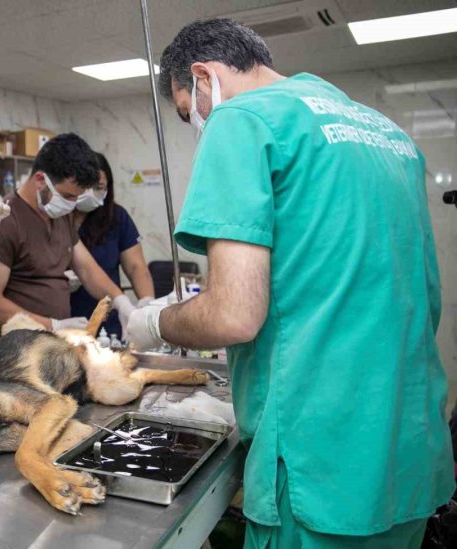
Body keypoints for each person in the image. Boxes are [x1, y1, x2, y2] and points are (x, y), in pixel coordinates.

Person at [126, 18, 453, 547]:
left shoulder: (242, 121)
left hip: (320, 467)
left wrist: (157, 322)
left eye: (190, 112)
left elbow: (233, 313)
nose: (199, 124)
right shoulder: (387, 133)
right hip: (407, 454)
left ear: (204, 75)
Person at [0, 133, 135, 351]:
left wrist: (121, 302)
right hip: (13, 356)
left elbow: (87, 270)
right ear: (41, 180)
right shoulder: (4, 221)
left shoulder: (60, 215)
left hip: (51, 352)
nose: (72, 205)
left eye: (76, 198)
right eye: (67, 196)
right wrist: (51, 326)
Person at [70, 152, 154, 337]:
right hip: (65, 318)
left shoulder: (116, 218)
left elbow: (136, 266)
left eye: (98, 187)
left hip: (107, 321)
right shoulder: (59, 217)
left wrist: (146, 303)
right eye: (85, 187)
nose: (91, 193)